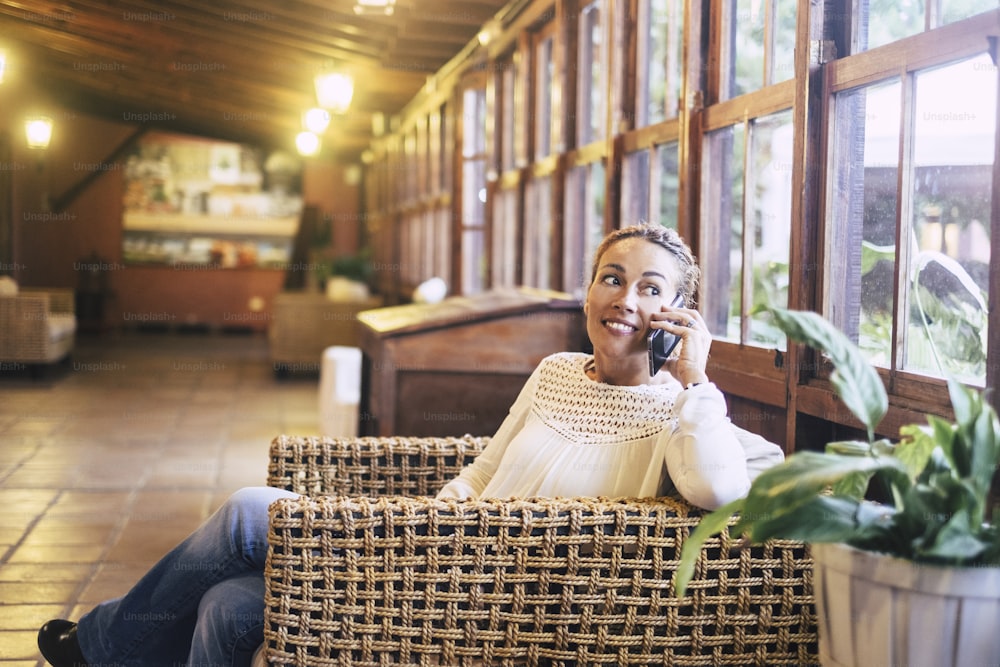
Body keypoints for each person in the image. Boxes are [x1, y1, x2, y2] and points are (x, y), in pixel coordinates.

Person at [37, 223, 783, 667]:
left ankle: (105, 646)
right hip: (432, 551)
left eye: (652, 289)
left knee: (241, 514)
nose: (626, 298)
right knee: (230, 605)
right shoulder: (555, 369)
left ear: (678, 314)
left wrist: (698, 378)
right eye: (611, 278)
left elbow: (717, 489)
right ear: (588, 291)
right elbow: (487, 464)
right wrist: (428, 519)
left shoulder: (680, 411)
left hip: (492, 601)